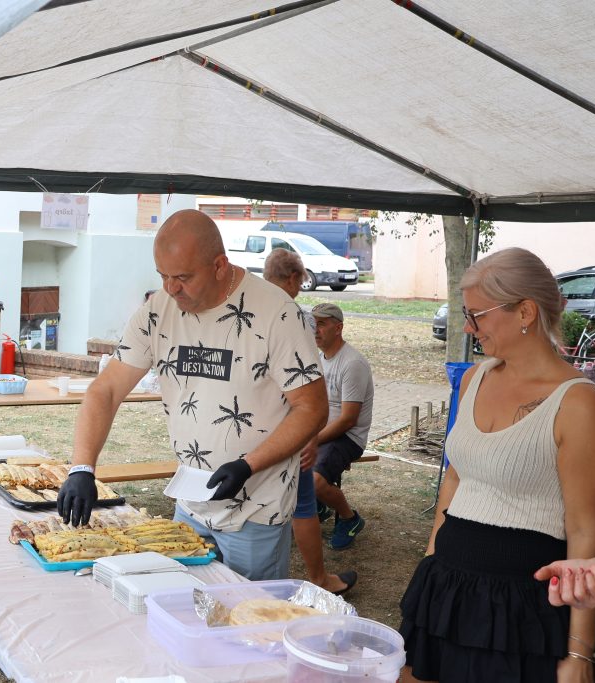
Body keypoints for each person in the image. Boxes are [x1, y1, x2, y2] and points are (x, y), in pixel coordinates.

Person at [57, 209, 328, 581]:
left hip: (256, 510)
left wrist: (248, 464)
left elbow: (311, 408)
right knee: (179, 609)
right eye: (163, 276)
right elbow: (105, 390)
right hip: (190, 504)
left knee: (242, 623)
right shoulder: (158, 313)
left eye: (183, 277)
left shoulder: (277, 313)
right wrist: (82, 468)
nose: (171, 289)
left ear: (219, 266)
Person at [399, 247, 595, 683]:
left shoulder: (577, 402)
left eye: (478, 315)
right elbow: (454, 477)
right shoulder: (474, 378)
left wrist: (579, 653)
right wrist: (430, 564)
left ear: (525, 311)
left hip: (517, 603)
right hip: (446, 584)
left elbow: (585, 530)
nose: (469, 328)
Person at [263, 248, 356, 594]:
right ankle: (318, 579)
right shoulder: (296, 317)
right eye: (300, 283)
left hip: (253, 424)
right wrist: (312, 434)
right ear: (292, 278)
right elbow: (308, 383)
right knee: (302, 504)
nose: (299, 290)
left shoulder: (244, 304)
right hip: (288, 422)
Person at [303, 302, 374, 550]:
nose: (315, 330)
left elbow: (348, 420)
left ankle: (349, 518)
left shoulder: (352, 363)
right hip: (321, 431)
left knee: (313, 480)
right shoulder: (319, 359)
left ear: (338, 327)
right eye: (313, 324)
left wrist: (312, 439)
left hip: (347, 438)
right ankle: (318, 504)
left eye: (322, 324)